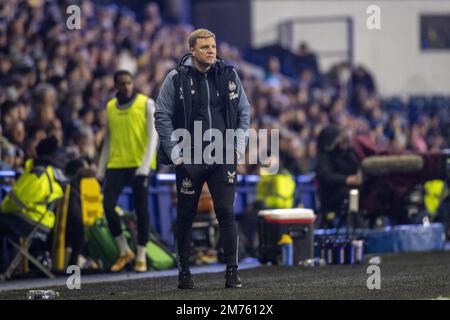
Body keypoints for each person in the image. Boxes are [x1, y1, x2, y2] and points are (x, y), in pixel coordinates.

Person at [155, 29, 250, 289]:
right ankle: (184, 273)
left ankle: (232, 271)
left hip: (222, 155)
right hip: (190, 157)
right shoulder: (175, 79)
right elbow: (161, 115)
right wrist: (175, 153)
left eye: (213, 46)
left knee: (226, 212)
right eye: (205, 47)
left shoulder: (229, 75)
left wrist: (237, 149)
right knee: (185, 215)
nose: (211, 50)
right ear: (192, 51)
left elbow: (244, 111)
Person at [97, 70, 158, 273]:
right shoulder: (110, 107)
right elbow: (108, 139)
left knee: (142, 210)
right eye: (122, 83)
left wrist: (145, 165)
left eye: (129, 82)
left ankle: (141, 255)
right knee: (107, 205)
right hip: (116, 164)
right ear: (115, 85)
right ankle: (124, 251)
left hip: (139, 164)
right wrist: (100, 170)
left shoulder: (146, 103)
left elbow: (153, 137)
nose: (127, 86)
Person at [315, 125, 363, 229]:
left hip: (350, 190)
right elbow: (326, 177)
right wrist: (347, 180)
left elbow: (356, 167)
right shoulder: (324, 158)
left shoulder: (347, 154)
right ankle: (356, 228)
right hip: (332, 195)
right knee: (353, 195)